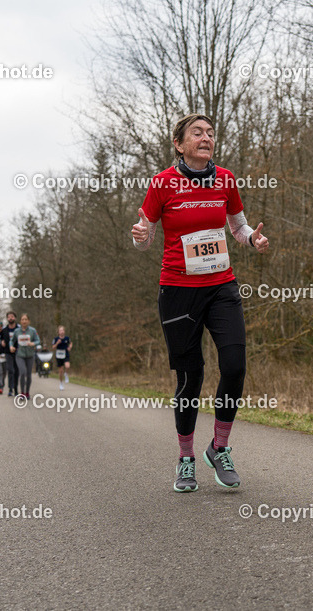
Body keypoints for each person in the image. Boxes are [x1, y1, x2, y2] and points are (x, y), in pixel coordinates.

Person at [131, 113, 269, 492]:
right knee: (190, 378)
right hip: (177, 290)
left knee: (235, 364)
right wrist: (141, 235)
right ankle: (186, 458)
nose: (206, 137)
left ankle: (219, 448)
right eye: (197, 133)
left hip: (221, 286)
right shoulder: (161, 184)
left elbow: (237, 226)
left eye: (210, 133)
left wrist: (251, 240)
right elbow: (144, 239)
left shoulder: (226, 179)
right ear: (180, 144)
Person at [10, 313, 41, 398]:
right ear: (20, 321)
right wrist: (11, 346)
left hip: (30, 355)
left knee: (28, 374)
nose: (24, 321)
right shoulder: (16, 331)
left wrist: (33, 343)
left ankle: (27, 392)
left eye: (26, 319)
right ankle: (22, 392)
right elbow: (11, 341)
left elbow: (38, 341)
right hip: (20, 355)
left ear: (29, 321)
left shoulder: (32, 330)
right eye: (22, 319)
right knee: (22, 372)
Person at [2, 311, 19, 396]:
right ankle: (10, 389)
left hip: (18, 351)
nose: (10, 318)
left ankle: (16, 389)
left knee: (16, 370)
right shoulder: (4, 330)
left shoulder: (19, 328)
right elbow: (1, 338)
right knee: (10, 370)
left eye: (12, 316)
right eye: (9, 317)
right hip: (8, 352)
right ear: (7, 318)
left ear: (15, 318)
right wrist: (2, 342)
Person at [53, 326, 71, 391]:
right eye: (60, 330)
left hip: (65, 353)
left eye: (63, 330)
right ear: (58, 332)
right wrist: (57, 343)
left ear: (64, 331)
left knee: (67, 366)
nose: (62, 331)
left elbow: (70, 343)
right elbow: (53, 347)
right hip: (59, 355)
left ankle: (66, 374)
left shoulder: (67, 338)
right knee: (60, 371)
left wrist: (70, 347)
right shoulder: (56, 339)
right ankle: (61, 384)